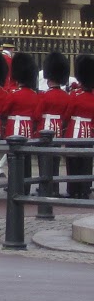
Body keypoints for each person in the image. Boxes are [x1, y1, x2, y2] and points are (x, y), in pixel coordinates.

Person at [36, 51, 72, 201]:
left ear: (49, 78)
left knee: (44, 158)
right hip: (58, 128)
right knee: (56, 159)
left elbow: (37, 113)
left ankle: (45, 186)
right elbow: (67, 114)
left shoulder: (45, 96)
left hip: (45, 127)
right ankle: (55, 187)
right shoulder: (66, 96)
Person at [65, 55, 94, 200]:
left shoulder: (75, 95)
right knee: (86, 161)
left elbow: (68, 113)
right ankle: (85, 189)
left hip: (74, 130)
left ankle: (73, 189)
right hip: (89, 131)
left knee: (73, 161)